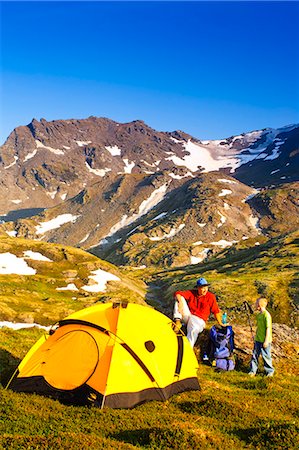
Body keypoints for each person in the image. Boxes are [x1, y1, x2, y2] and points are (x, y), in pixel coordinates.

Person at [173, 277, 226, 347]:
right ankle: (177, 321)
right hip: (189, 316)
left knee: (193, 330)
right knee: (179, 298)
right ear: (198, 288)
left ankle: (188, 348)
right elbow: (177, 293)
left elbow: (216, 311)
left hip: (199, 320)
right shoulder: (192, 293)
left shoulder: (211, 297)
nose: (205, 290)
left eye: (206, 287)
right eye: (202, 288)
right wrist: (180, 302)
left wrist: (220, 323)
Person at [248, 297, 274, 377]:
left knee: (266, 356)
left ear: (259, 305)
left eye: (256, 304)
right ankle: (253, 371)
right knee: (255, 355)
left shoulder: (266, 315)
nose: (255, 305)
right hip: (258, 339)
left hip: (265, 340)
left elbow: (268, 328)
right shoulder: (259, 315)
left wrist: (266, 340)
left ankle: (270, 371)